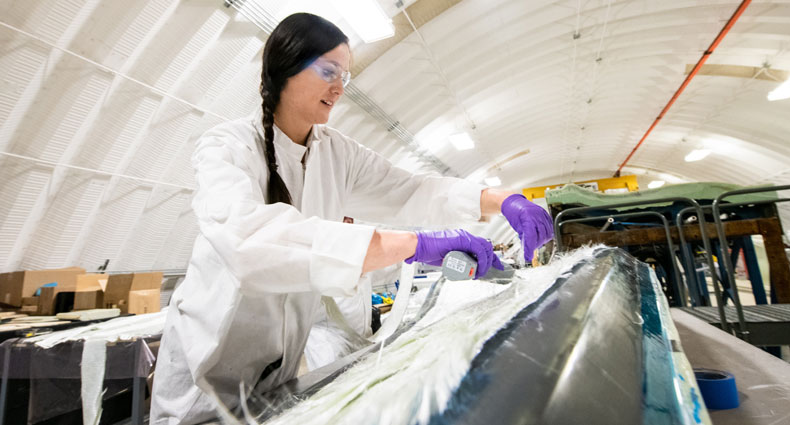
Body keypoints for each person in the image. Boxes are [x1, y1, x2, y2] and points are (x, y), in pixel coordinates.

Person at [150, 12, 553, 424]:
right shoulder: (227, 148)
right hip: (205, 374)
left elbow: (410, 189)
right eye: (328, 71)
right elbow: (250, 243)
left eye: (345, 76)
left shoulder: (336, 153)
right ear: (285, 68)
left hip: (277, 376)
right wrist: (418, 245)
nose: (339, 87)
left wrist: (502, 200)